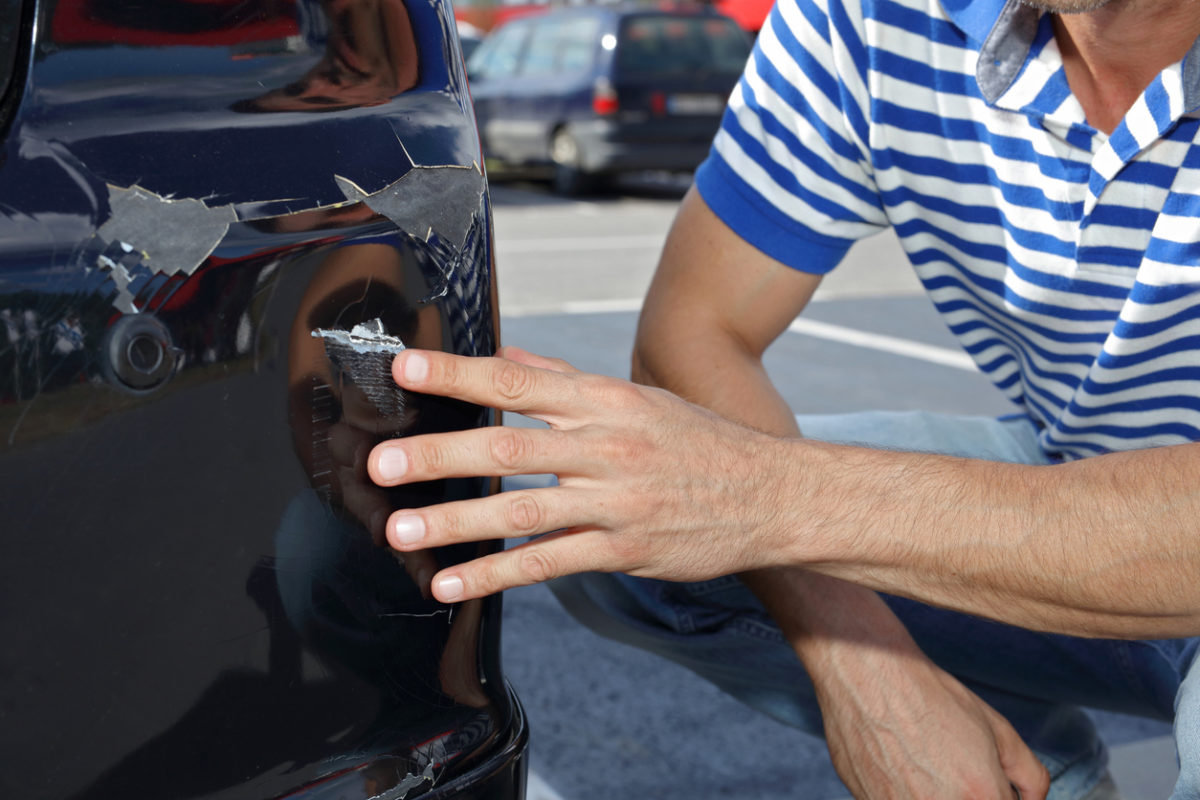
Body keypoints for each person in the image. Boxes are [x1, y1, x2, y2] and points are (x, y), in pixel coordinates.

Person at [366, 0, 1200, 796]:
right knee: (614, 518)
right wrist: (870, 669)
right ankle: (1034, 780)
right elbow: (696, 329)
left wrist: (765, 497)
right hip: (1082, 469)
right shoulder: (874, 18)